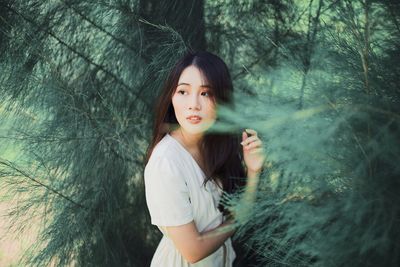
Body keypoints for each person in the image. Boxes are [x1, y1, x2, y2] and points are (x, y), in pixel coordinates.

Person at [144, 51, 266, 267]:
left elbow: (239, 211)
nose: (193, 104)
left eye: (206, 93)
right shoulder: (166, 163)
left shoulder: (216, 145)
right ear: (171, 97)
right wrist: (236, 220)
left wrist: (254, 171)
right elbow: (193, 251)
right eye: (183, 91)